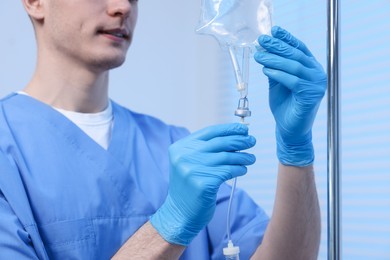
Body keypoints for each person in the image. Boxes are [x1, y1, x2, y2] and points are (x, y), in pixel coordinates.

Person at [0, 0, 326, 259]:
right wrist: (170, 224)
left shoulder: (171, 144)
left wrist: (295, 150)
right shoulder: (8, 149)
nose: (122, 6)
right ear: (34, 2)